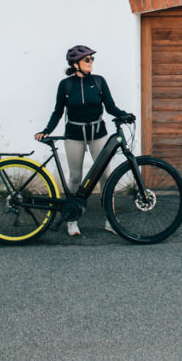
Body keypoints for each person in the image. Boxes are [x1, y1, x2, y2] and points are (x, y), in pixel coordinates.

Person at [34, 44, 134, 237]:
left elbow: (110, 107)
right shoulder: (66, 85)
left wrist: (125, 114)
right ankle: (72, 220)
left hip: (98, 133)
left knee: (106, 176)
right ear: (75, 63)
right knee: (75, 177)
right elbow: (58, 112)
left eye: (92, 59)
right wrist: (46, 131)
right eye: (87, 59)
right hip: (74, 134)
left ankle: (110, 220)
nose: (91, 62)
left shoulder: (99, 81)